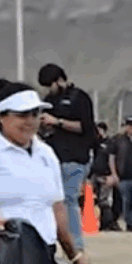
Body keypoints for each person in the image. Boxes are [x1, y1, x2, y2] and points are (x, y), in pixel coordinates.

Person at [0, 78, 94, 264]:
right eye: (22, 115)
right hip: (2, 260)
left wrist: (75, 255)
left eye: (35, 114)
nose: (30, 121)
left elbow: (57, 208)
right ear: (1, 117)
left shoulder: (46, 154)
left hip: (45, 256)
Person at [37, 63, 97, 252]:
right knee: (53, 200)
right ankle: (56, 240)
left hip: (74, 157)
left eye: (50, 85)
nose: (48, 90)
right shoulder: (48, 100)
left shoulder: (79, 98)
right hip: (53, 157)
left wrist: (58, 122)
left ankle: (75, 244)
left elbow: (86, 128)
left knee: (68, 200)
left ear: (59, 80)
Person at [89, 122, 120, 231]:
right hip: (94, 173)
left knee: (104, 200)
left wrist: (112, 174)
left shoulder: (110, 143)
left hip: (105, 174)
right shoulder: (95, 143)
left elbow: (112, 159)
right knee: (92, 199)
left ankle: (107, 223)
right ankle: (94, 221)